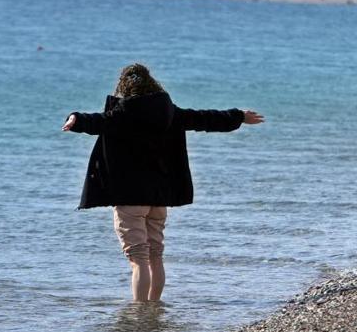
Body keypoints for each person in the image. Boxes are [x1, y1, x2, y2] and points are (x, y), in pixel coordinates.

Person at [62, 63, 264, 302]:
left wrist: (76, 119)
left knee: (138, 259)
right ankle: (154, 308)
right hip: (158, 198)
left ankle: (140, 313)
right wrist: (238, 116)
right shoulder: (170, 112)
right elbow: (204, 118)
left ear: (125, 87)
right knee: (155, 255)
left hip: (130, 197)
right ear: (152, 84)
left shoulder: (122, 113)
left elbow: (97, 121)